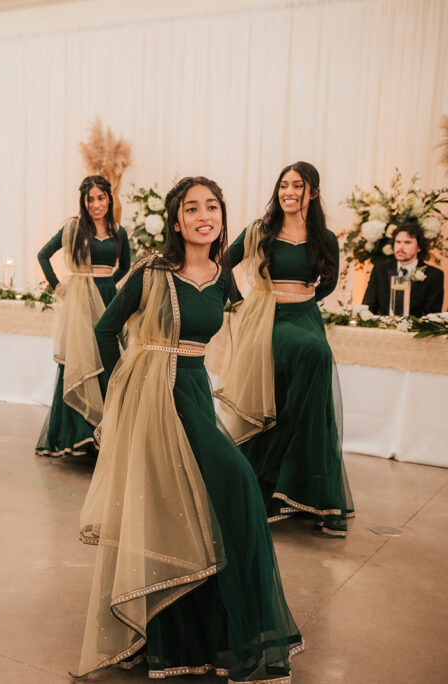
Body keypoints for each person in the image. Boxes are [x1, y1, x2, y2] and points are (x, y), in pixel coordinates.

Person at [75, 177, 302, 681]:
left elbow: (244, 325)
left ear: (222, 217)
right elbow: (105, 328)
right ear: (176, 220)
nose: (205, 216)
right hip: (156, 398)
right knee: (201, 493)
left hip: (195, 392)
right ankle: (168, 633)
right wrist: (122, 395)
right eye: (193, 208)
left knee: (210, 500)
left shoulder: (222, 277)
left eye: (212, 207)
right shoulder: (152, 271)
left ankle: (212, 633)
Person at [215, 161, 353, 536]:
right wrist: (239, 301)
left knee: (307, 395)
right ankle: (268, 486)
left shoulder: (325, 237)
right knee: (312, 358)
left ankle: (301, 493)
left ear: (314, 192)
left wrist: (303, 298)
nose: (288, 192)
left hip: (306, 318)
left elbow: (328, 283)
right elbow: (221, 265)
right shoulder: (261, 231)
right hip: (268, 321)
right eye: (283, 185)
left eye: (297, 186)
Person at [35, 176, 130, 458]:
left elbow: (125, 266)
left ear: (109, 199)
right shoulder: (74, 228)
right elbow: (43, 255)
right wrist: (59, 286)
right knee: (80, 358)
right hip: (80, 303)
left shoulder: (119, 231)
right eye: (90, 199)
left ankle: (107, 433)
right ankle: (74, 435)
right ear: (83, 202)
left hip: (108, 299)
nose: (96, 204)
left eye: (101, 198)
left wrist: (108, 286)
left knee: (108, 358)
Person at [361, 221, 445, 317]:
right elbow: (368, 308)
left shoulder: (434, 275)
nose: (400, 247)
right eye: (398, 242)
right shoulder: (380, 270)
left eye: (407, 242)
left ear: (419, 247)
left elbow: (431, 316)